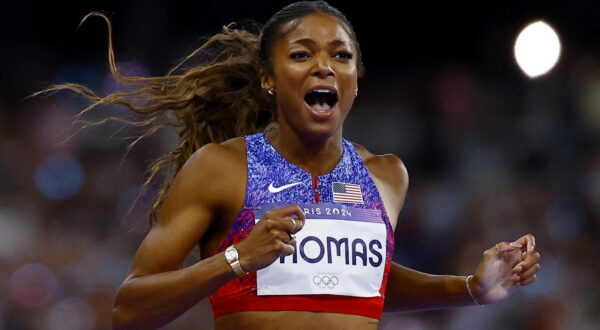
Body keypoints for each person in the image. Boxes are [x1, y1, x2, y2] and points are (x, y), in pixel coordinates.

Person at [44, 1, 541, 329]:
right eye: (301, 54)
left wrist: (472, 289)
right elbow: (127, 308)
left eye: (340, 56)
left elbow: (365, 285)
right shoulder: (222, 167)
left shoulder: (387, 176)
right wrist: (237, 258)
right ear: (267, 79)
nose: (324, 65)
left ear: (355, 81)